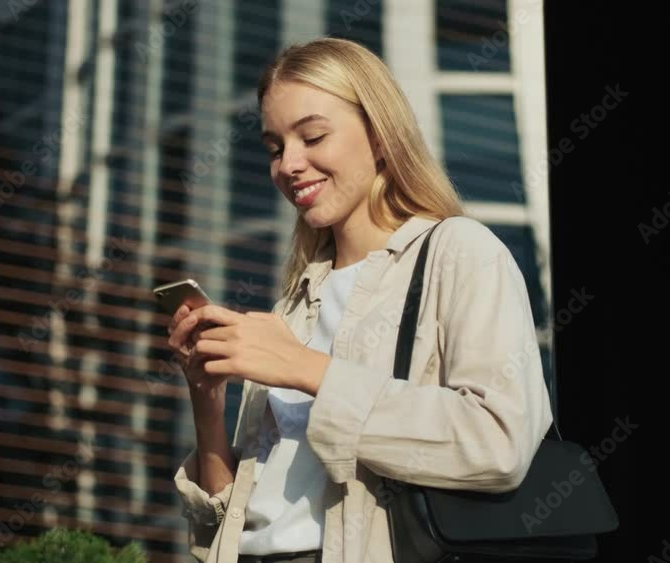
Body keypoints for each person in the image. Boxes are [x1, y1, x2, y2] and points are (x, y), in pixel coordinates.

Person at [166, 37, 554, 563]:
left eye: (313, 136)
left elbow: (497, 443)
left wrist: (308, 370)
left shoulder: (460, 253)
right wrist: (207, 402)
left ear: (378, 135)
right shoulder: (295, 305)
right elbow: (241, 518)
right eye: (275, 147)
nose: (289, 165)